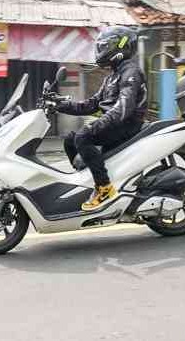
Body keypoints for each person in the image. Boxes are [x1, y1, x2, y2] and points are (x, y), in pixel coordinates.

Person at [56, 26, 147, 211]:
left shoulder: (131, 72)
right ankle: (90, 180)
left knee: (83, 136)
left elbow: (123, 108)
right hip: (116, 123)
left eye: (106, 46)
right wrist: (59, 105)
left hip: (127, 124)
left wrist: (97, 124)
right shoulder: (112, 76)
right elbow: (91, 104)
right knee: (69, 140)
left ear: (121, 47)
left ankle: (104, 188)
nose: (102, 51)